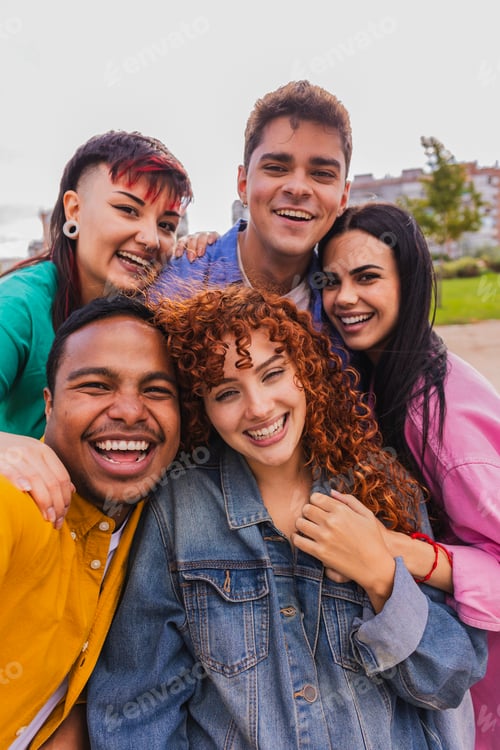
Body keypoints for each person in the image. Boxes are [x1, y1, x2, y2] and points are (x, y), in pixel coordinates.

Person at [88, 285, 486, 749]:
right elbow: (137, 709)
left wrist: (381, 578)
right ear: (202, 407)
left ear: (306, 372)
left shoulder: (380, 483)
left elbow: (448, 679)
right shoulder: (175, 512)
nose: (258, 408)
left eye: (272, 373)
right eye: (226, 392)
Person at [317, 201, 500, 750]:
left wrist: (399, 551)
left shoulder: (443, 424)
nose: (344, 297)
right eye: (331, 280)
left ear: (410, 282)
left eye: (367, 277)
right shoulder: (385, 376)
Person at [0, 295, 180, 749]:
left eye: (157, 391)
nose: (129, 411)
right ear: (49, 404)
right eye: (97, 386)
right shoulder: (14, 502)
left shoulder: (153, 519)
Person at [0, 129, 192, 522]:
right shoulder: (18, 306)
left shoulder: (154, 313)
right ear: (74, 210)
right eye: (128, 210)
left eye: (168, 225)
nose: (150, 237)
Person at [151, 80, 351, 349]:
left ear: (343, 197)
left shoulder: (348, 310)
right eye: (276, 168)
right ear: (243, 184)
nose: (297, 188)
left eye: (322, 174)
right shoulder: (173, 288)